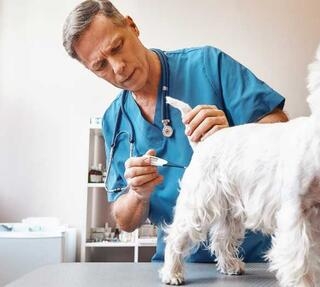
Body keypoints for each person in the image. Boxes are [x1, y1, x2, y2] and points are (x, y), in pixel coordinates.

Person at [62, 0, 288, 262]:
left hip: (254, 257)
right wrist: (137, 194)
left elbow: (281, 128)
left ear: (132, 27)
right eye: (100, 65)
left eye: (117, 47)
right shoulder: (115, 119)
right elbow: (124, 220)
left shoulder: (208, 66)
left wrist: (236, 138)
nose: (118, 67)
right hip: (180, 262)